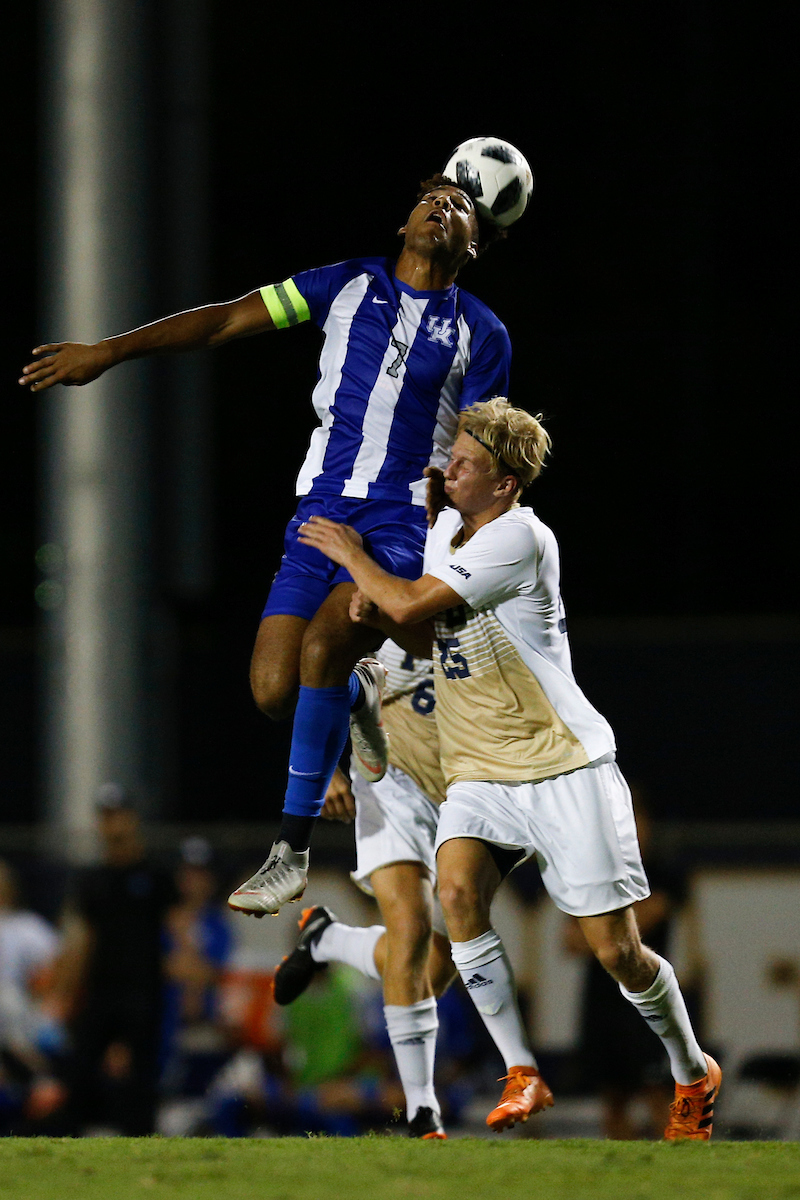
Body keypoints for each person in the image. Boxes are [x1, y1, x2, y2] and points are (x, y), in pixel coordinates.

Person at [20, 172, 514, 917]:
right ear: (405, 215)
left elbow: (485, 453)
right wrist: (109, 352)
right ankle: (356, 698)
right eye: (432, 196)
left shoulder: (481, 330)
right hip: (319, 511)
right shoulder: (345, 285)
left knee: (322, 645)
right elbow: (222, 321)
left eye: (462, 208)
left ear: (475, 243)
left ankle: (291, 852)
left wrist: (469, 550)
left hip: (398, 526)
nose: (442, 207)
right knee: (271, 689)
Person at [296, 397, 722, 1141]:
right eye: (453, 453)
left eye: (467, 461)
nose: (449, 466)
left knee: (616, 952)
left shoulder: (517, 539)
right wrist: (383, 616)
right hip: (480, 771)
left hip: (562, 766)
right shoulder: (451, 530)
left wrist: (353, 557)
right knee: (454, 895)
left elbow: (416, 602)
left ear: (505, 484)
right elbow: (438, 640)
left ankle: (692, 1070)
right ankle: (522, 1070)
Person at [272, 639, 456, 1139]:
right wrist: (325, 766)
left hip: (464, 782)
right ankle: (423, 1110)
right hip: (393, 780)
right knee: (412, 932)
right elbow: (315, 669)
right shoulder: (379, 585)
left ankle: (329, 940)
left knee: (438, 967)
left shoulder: (485, 588)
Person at [51, 783, 176, 1135]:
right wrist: (62, 993)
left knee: (140, 1083)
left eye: (117, 815)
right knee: (80, 1072)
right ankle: (67, 1149)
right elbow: (81, 941)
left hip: (144, 992)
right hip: (101, 991)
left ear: (132, 819)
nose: (112, 824)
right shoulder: (91, 879)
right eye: (106, 817)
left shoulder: (154, 875)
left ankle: (142, 1153)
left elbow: (178, 932)